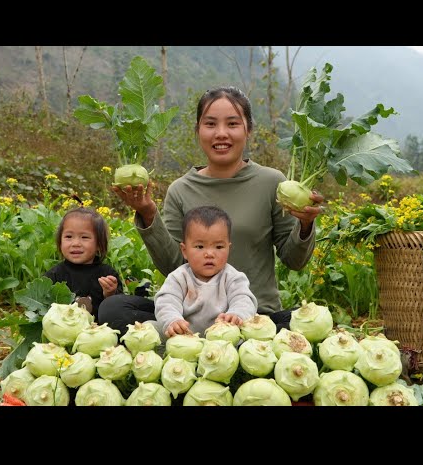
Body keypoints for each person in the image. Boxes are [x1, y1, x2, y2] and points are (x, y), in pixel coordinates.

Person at [110, 86, 324, 331]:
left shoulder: (272, 182)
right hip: (190, 316)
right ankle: (190, 336)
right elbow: (173, 265)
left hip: (255, 317)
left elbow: (294, 261)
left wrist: (305, 225)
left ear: (248, 129)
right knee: (115, 309)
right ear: (198, 130)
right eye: (210, 124)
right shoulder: (181, 189)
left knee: (305, 318)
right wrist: (147, 213)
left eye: (232, 124)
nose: (221, 134)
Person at [154, 205, 257, 337]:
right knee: (151, 326)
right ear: (184, 251)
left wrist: (237, 314)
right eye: (200, 246)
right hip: (187, 339)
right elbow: (167, 301)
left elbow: (243, 299)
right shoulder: (179, 278)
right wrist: (173, 320)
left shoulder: (233, 277)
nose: (209, 253)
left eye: (219, 247)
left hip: (225, 340)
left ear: (228, 249)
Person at [44, 207, 154, 330]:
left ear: (99, 245)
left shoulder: (107, 274)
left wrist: (110, 293)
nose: (75, 243)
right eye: (68, 237)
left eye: (84, 237)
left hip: (100, 333)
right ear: (60, 242)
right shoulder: (53, 275)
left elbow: (117, 307)